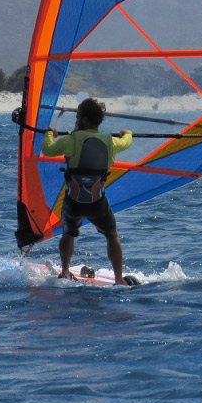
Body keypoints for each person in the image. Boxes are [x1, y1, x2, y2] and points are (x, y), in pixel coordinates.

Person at [42, 97, 132, 284]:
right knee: (112, 235)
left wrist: (50, 134)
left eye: (77, 117)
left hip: (73, 202)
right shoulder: (110, 142)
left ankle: (65, 271)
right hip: (97, 203)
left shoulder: (72, 140)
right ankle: (118, 279)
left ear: (83, 120)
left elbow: (48, 150)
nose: (75, 121)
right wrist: (127, 133)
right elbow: (126, 142)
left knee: (69, 232)